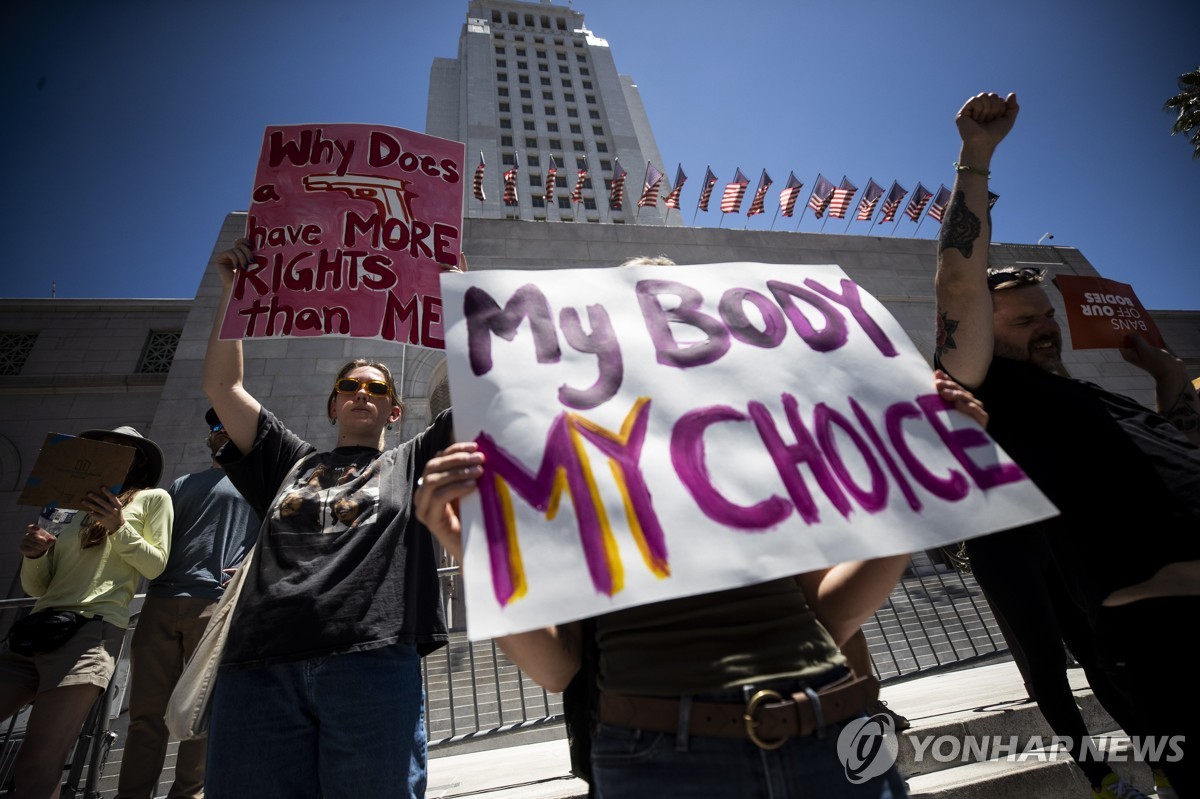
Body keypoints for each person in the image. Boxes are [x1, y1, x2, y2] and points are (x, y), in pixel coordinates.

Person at [414, 255, 990, 796]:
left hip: (832, 732)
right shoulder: (564, 466)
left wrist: (926, 486)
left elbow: (832, 616)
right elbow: (556, 666)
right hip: (663, 760)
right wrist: (468, 547)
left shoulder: (763, 448)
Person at [933, 90, 1200, 799]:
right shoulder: (992, 387)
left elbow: (1181, 444)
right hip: (1169, 632)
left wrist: (1168, 372)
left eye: (1045, 314)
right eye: (1021, 320)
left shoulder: (1096, 398)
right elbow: (960, 280)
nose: (1043, 327)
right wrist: (977, 158)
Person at [200, 238, 454, 798]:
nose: (362, 392)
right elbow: (224, 389)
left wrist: (463, 297)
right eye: (350, 386)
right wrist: (232, 294)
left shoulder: (412, 460)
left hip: (372, 661)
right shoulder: (288, 461)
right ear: (334, 405)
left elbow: (487, 390)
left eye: (376, 388)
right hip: (258, 666)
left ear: (394, 409)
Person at [0, 426, 171, 799]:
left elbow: (155, 565)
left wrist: (119, 526)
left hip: (90, 634)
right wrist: (35, 554)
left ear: (137, 461)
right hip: (36, 629)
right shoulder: (63, 506)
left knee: (37, 762)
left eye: (121, 450)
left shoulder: (153, 499)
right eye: (101, 448)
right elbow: (38, 587)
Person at [116, 408, 260, 799]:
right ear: (209, 438)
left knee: (200, 715)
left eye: (228, 425)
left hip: (215, 607)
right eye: (215, 426)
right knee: (145, 717)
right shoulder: (179, 485)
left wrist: (250, 571)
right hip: (160, 603)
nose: (221, 431)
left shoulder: (260, 486)